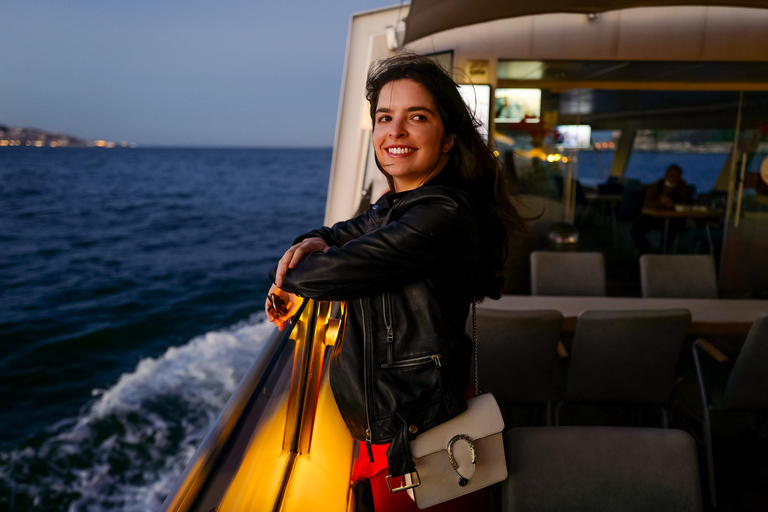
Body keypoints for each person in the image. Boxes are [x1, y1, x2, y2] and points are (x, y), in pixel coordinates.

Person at [264, 54, 526, 510]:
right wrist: (310, 241)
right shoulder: (393, 205)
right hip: (390, 426)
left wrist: (292, 270)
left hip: (421, 435)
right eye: (385, 117)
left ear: (447, 139)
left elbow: (326, 274)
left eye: (416, 117)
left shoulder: (441, 213)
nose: (395, 131)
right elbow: (332, 236)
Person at [631, 164, 689, 254]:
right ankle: (644, 248)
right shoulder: (655, 187)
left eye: (676, 176)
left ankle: (661, 252)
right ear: (666, 175)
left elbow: (685, 203)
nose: (674, 178)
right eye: (671, 175)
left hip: (673, 218)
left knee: (671, 228)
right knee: (637, 227)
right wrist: (660, 203)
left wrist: (672, 205)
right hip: (654, 217)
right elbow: (646, 203)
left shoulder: (683, 187)